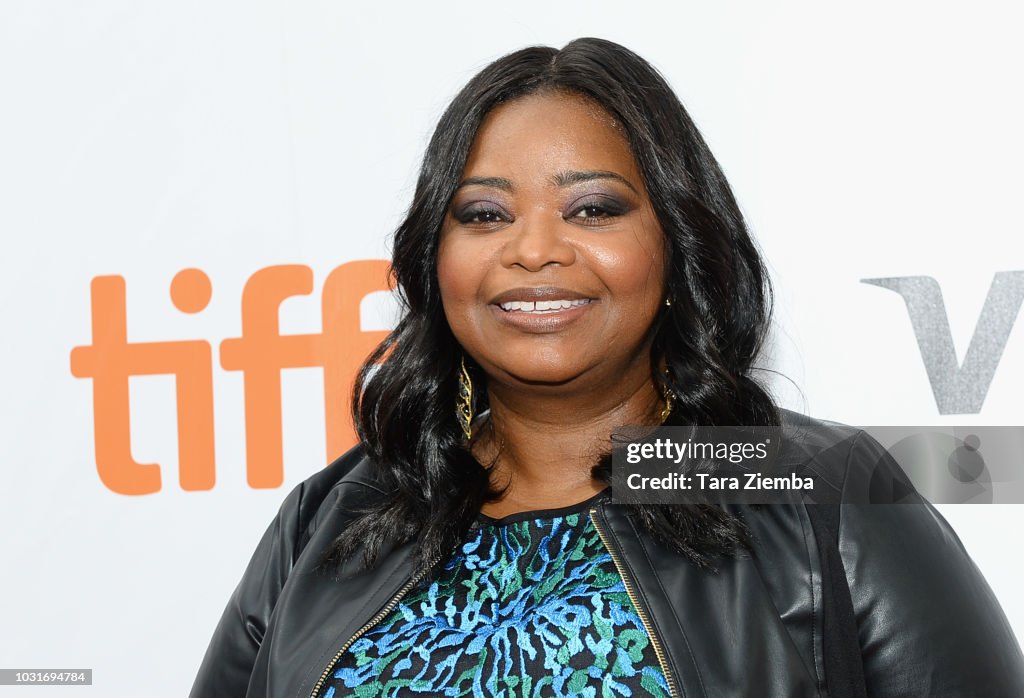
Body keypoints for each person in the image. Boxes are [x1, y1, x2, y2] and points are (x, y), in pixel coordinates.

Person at [190, 38, 1024, 697]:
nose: (534, 249)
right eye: (485, 214)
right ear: (433, 260)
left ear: (677, 243)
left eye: (592, 208)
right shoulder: (331, 521)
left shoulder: (820, 496)